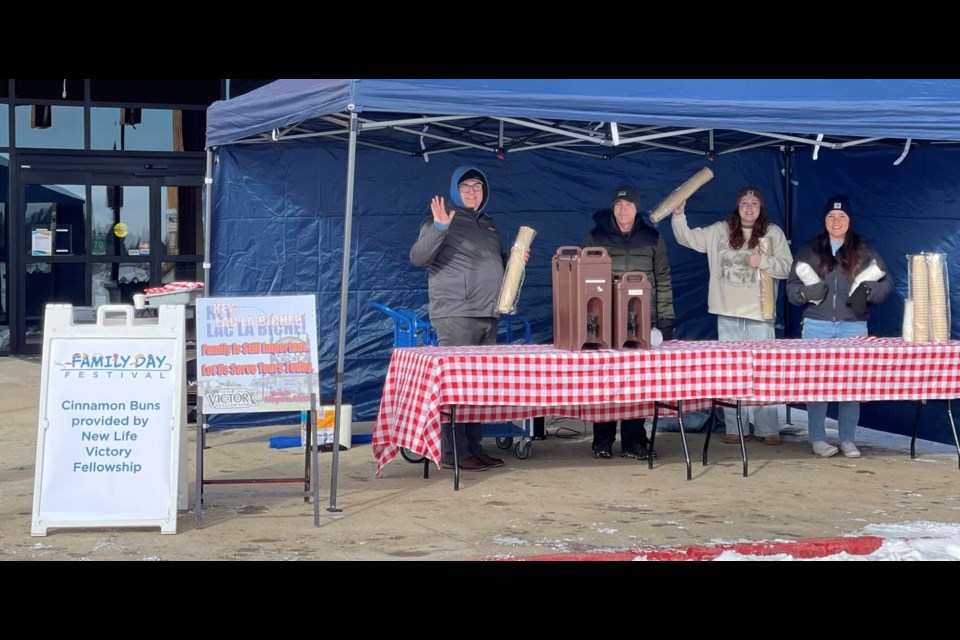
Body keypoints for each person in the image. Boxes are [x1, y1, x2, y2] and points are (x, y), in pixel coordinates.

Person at [410, 165, 526, 471]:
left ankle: (473, 448)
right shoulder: (442, 219)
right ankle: (453, 454)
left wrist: (512, 261)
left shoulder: (487, 224)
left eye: (477, 187)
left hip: (488, 312)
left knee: (476, 390)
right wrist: (438, 227)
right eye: (465, 187)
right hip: (457, 313)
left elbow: (490, 265)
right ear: (454, 191)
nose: (472, 192)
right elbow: (418, 257)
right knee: (457, 388)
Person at [671, 186, 793, 444]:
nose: (749, 208)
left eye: (754, 204)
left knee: (763, 371)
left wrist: (764, 262)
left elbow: (786, 268)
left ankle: (767, 428)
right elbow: (688, 239)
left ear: (761, 209)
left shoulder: (773, 233)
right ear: (737, 207)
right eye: (744, 203)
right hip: (727, 312)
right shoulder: (720, 231)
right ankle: (735, 428)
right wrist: (679, 215)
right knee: (730, 372)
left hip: (761, 314)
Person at [785, 195, 892, 458]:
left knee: (850, 385)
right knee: (817, 385)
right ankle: (818, 439)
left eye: (841, 217)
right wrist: (806, 294)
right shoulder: (809, 250)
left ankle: (847, 439)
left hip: (852, 327)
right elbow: (791, 288)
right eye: (831, 217)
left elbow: (887, 285)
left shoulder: (864, 250)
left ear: (849, 220)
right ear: (824, 220)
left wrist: (867, 291)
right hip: (816, 325)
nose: (836, 221)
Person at [581, 185, 675, 460]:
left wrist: (666, 318)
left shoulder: (652, 237)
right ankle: (602, 440)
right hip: (605, 320)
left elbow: (663, 278)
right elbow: (582, 281)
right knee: (605, 379)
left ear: (637, 208)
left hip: (642, 319)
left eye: (629, 205)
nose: (624, 210)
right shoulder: (594, 236)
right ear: (613, 207)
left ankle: (635, 441)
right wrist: (588, 322)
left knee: (637, 381)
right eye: (619, 205)